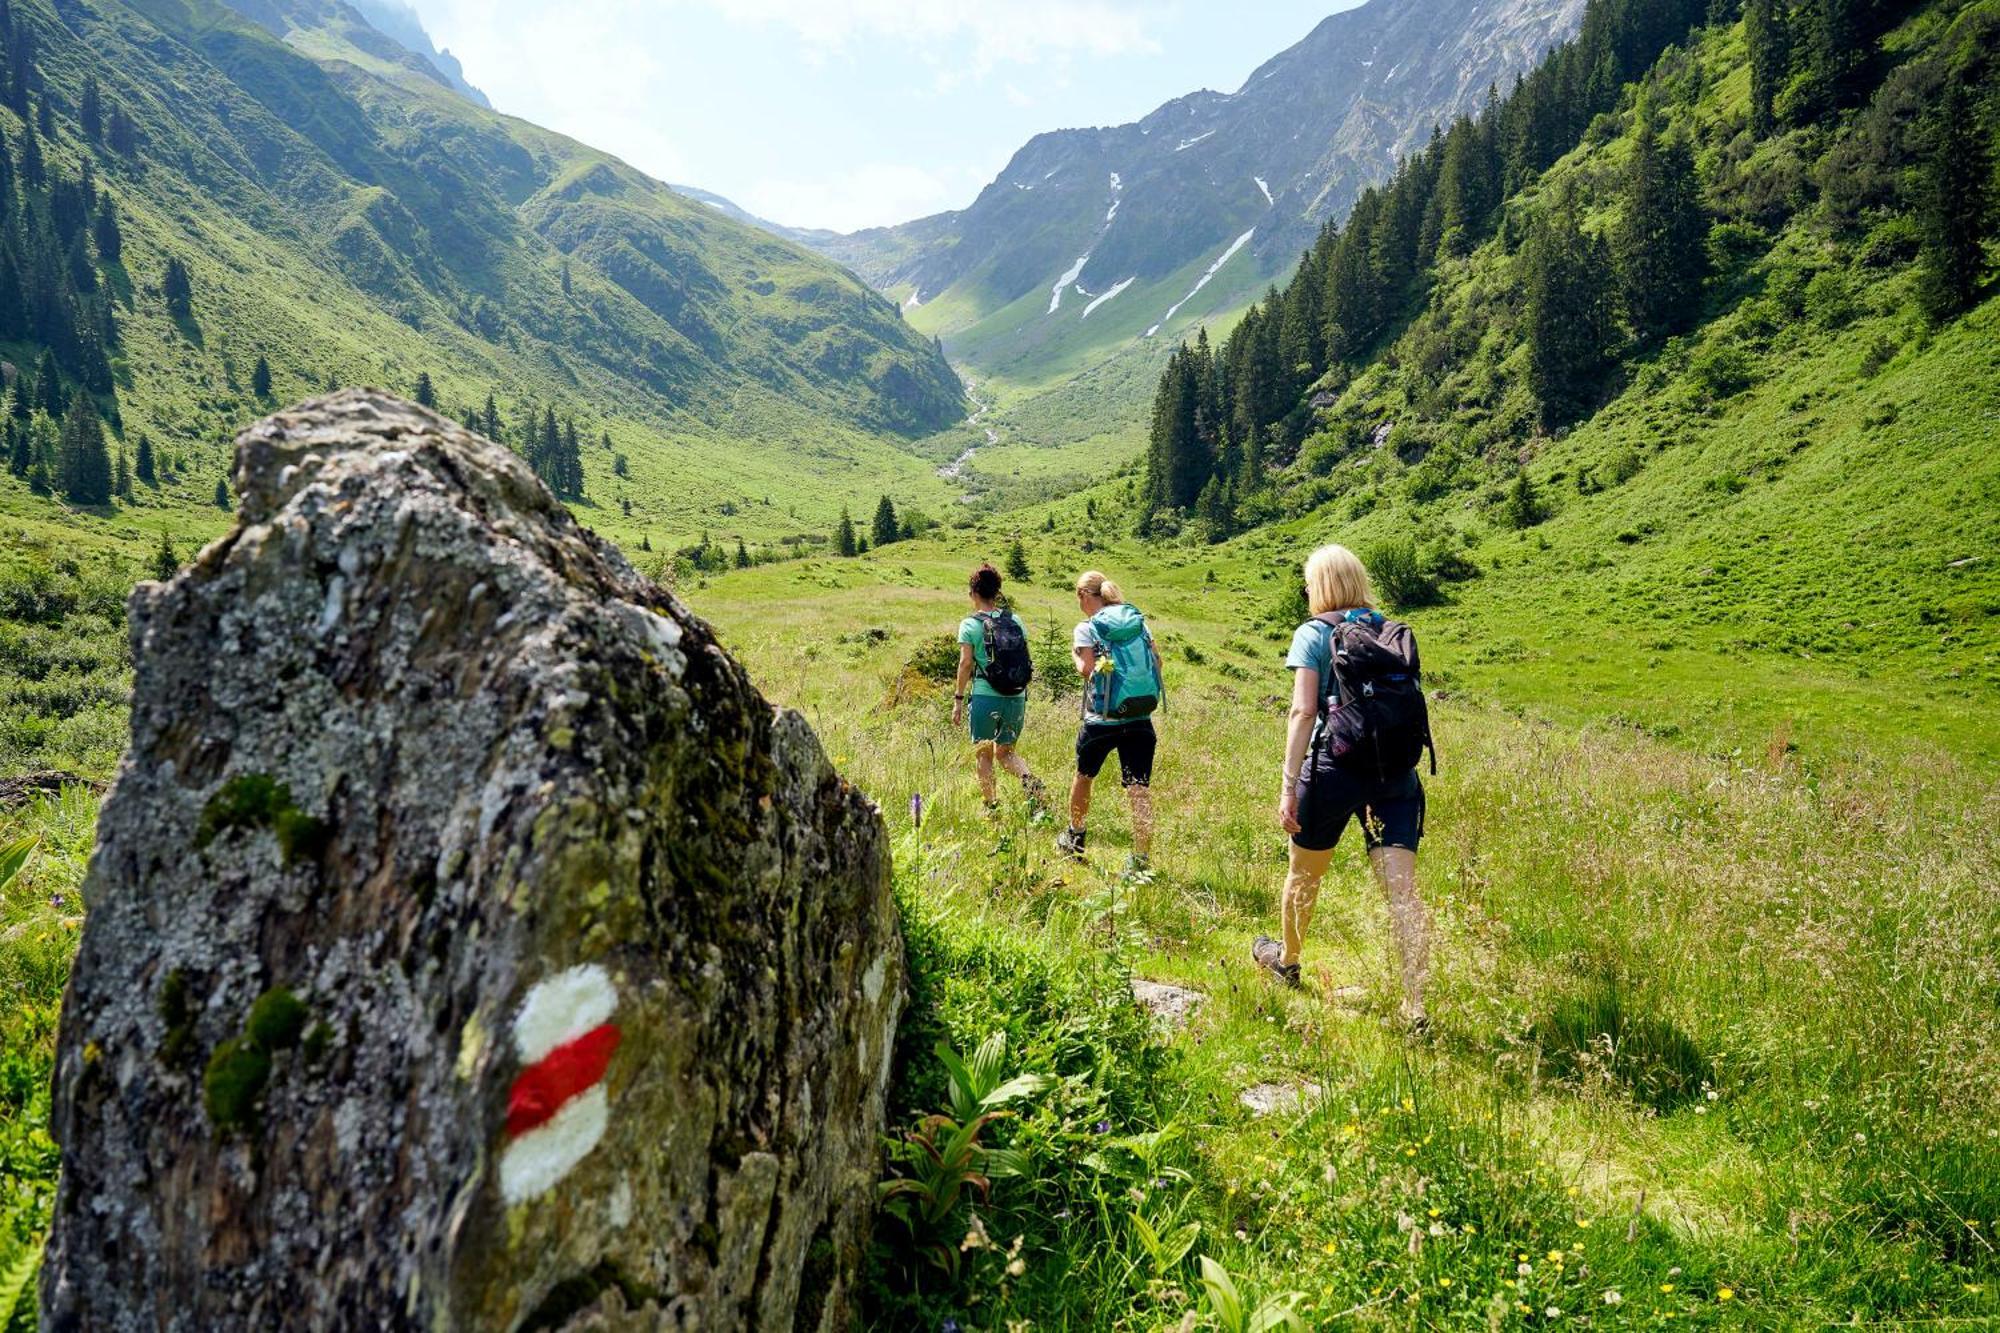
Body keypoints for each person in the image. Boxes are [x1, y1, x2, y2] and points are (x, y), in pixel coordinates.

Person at [1252, 543, 1433, 1035]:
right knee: (1402, 895)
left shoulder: (1314, 633)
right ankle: (1415, 1005)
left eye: (1310, 582)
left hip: (1333, 769)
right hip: (1395, 776)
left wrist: (1288, 786)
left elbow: (1302, 712)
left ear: (1322, 585)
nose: (1308, 590)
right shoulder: (1389, 631)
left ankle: (1286, 961)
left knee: (1304, 873)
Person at [1056, 571, 1162, 874]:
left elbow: (1087, 670)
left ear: (1084, 596)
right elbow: (1158, 663)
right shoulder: (1138, 623)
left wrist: (1074, 656)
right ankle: (1141, 859)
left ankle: (1075, 838)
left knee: (1084, 776)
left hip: (1101, 719)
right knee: (1139, 788)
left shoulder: (1086, 628)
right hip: (1140, 715)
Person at [953, 563, 1047, 814]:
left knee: (983, 754)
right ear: (997, 592)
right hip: (1016, 696)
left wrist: (958, 699)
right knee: (1005, 753)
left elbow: (965, 664)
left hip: (985, 696)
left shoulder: (969, 624)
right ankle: (1032, 783)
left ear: (973, 593)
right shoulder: (1015, 619)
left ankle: (991, 807)